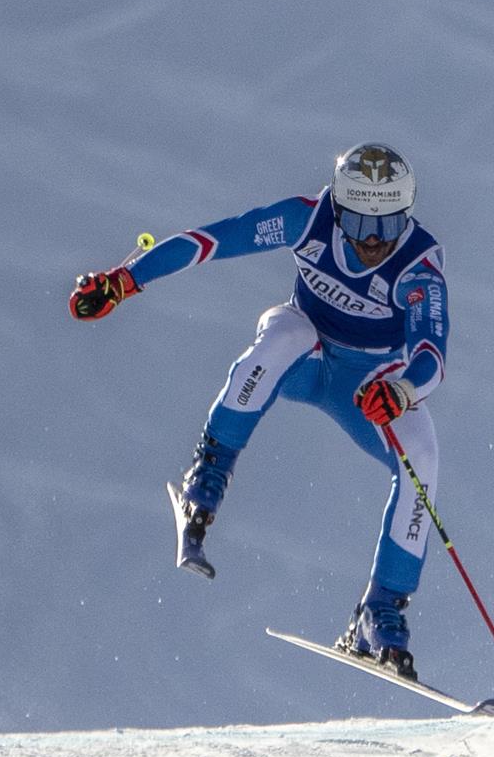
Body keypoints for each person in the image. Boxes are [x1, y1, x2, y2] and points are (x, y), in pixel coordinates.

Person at [70, 143, 449, 678]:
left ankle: (379, 614)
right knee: (285, 332)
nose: (370, 240)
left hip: (367, 386)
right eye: (360, 221)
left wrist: (403, 391)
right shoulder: (306, 219)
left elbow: (432, 353)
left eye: (385, 227)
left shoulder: (418, 267)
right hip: (306, 358)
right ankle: (209, 473)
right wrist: (126, 280)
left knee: (424, 460)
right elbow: (211, 240)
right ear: (339, 209)